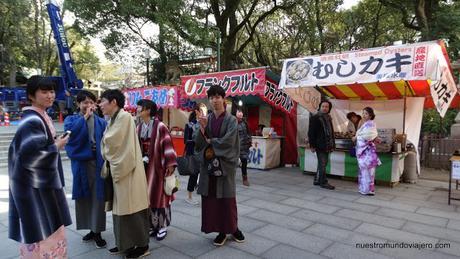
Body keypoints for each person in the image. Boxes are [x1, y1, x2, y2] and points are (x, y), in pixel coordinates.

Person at [8, 76, 72, 257]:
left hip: (38, 186)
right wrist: (56, 147)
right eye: (44, 92)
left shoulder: (38, 116)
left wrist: (53, 145)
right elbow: (30, 158)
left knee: (45, 231)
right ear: (31, 95)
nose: (50, 95)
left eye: (51, 91)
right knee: (42, 233)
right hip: (35, 190)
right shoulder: (33, 120)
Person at [99, 89, 150, 258]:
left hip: (128, 170)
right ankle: (124, 243)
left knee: (133, 210)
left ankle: (142, 246)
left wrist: (104, 140)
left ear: (113, 102)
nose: (100, 105)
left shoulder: (124, 117)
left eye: (102, 101)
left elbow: (110, 140)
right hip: (121, 169)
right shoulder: (115, 118)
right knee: (122, 209)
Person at [194, 84, 245, 246]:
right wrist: (202, 128)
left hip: (224, 166)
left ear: (224, 99)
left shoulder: (231, 120)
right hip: (209, 167)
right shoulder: (206, 119)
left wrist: (212, 142)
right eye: (211, 97)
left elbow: (230, 142)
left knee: (227, 200)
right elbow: (199, 143)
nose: (214, 100)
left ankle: (233, 228)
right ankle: (221, 231)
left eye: (217, 97)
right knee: (212, 200)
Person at [64, 90, 107, 248]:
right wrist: (84, 118)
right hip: (81, 164)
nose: (88, 105)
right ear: (78, 104)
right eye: (85, 102)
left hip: (97, 163)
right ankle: (90, 228)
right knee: (84, 198)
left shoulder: (102, 122)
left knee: (98, 198)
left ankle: (98, 231)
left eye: (91, 102)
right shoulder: (72, 119)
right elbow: (70, 135)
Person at [136, 99, 177, 241]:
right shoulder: (139, 127)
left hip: (158, 167)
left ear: (148, 110)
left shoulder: (160, 126)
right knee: (148, 197)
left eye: (140, 108)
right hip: (145, 168)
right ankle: (153, 225)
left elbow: (168, 144)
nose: (137, 110)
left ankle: (163, 225)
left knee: (161, 197)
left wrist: (170, 165)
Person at [352, 107, 381, 196]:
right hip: (366, 151)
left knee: (367, 170)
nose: (364, 115)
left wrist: (356, 137)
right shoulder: (366, 124)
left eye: (366, 113)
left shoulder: (370, 124)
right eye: (363, 113)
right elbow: (369, 136)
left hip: (367, 151)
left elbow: (367, 137)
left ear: (371, 115)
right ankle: (366, 189)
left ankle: (367, 189)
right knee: (365, 170)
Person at [308, 100, 335, 190]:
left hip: (327, 144)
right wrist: (312, 145)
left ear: (329, 108)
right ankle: (323, 182)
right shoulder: (315, 118)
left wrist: (332, 144)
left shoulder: (328, 117)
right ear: (320, 107)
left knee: (322, 163)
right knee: (323, 163)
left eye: (327, 107)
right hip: (320, 145)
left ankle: (317, 179)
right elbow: (311, 133)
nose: (325, 108)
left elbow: (331, 132)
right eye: (323, 106)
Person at [184, 104, 203, 205]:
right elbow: (186, 141)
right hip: (192, 153)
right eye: (201, 110)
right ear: (196, 112)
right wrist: (196, 141)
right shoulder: (189, 125)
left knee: (200, 173)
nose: (202, 112)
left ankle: (196, 190)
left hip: (202, 153)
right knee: (193, 174)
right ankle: (189, 196)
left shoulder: (203, 123)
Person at [236, 107, 252, 186]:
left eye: (241, 112)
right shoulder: (232, 123)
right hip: (235, 147)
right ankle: (229, 178)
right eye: (238, 112)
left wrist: (249, 141)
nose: (240, 113)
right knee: (233, 163)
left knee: (244, 162)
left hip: (244, 147)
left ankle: (245, 178)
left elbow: (249, 133)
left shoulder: (245, 123)